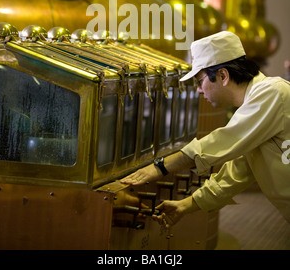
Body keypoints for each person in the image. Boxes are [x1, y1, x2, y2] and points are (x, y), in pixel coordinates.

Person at [121, 31, 290, 227]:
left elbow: (222, 140)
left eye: (200, 81)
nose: (199, 90)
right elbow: (234, 175)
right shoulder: (254, 111)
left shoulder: (272, 93)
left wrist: (160, 167)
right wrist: (184, 205)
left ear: (223, 75)